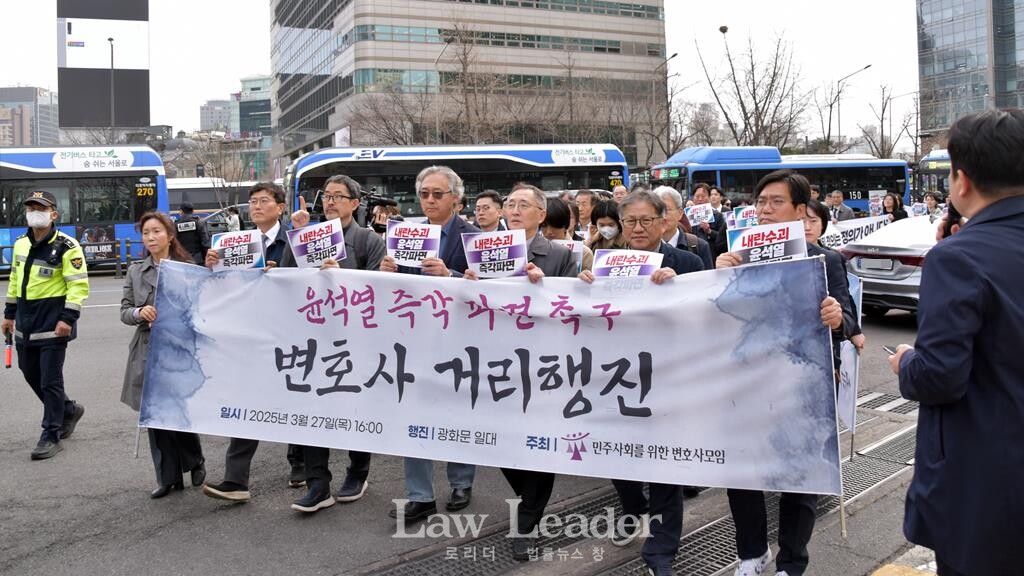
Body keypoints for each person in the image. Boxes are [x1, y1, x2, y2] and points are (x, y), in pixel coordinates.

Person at [888, 108, 1024, 576]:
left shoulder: (958, 259)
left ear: (961, 181)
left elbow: (940, 376)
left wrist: (906, 361)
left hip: (989, 483)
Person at [715, 170, 847, 576]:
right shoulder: (734, 257)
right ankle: (752, 553)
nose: (765, 210)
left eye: (776, 202)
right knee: (742, 469)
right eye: (761, 202)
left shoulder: (826, 260)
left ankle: (792, 560)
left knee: (801, 473)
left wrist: (837, 316)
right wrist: (719, 275)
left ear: (799, 209)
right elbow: (713, 316)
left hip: (803, 381)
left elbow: (851, 322)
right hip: (747, 379)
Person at [579, 191, 703, 576]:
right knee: (619, 455)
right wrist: (583, 287)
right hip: (617, 377)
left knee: (666, 469)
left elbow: (708, 313)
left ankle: (660, 553)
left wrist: (681, 286)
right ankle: (633, 508)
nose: (637, 228)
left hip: (668, 377)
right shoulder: (605, 264)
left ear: (664, 221)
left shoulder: (688, 261)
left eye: (646, 220)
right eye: (629, 221)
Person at [464, 183, 576, 562]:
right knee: (503, 442)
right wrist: (464, 283)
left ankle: (526, 522)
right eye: (509, 203)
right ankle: (528, 502)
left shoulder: (558, 255)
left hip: (543, 364)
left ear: (542, 215)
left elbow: (573, 303)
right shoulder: (481, 249)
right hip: (495, 360)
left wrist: (544, 287)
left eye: (523, 205)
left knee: (540, 446)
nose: (513, 209)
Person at [279, 174, 388, 514]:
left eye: (339, 196)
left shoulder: (369, 241)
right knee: (313, 412)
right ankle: (317, 483)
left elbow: (377, 290)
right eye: (327, 195)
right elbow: (284, 278)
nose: (330, 201)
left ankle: (358, 471)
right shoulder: (308, 235)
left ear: (355, 204)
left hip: (356, 340)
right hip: (313, 339)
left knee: (355, 410)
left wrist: (339, 274)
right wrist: (293, 237)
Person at [380, 165, 479, 521]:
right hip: (415, 341)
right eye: (425, 194)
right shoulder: (406, 233)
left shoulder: (473, 236)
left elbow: (488, 289)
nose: (431, 200)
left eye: (438, 194)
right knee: (414, 415)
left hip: (458, 343)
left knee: (456, 413)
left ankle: (461, 482)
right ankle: (419, 495)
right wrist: (386, 272)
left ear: (456, 197)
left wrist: (450, 276)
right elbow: (393, 290)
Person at [201, 182, 307, 502]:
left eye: (264, 201)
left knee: (294, 400)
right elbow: (223, 289)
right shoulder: (236, 244)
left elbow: (312, 278)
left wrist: (282, 269)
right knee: (248, 402)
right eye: (252, 202)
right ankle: (236, 480)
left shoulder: (293, 239)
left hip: (289, 334)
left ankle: (300, 465)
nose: (256, 207)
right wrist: (212, 267)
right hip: (251, 335)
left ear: (280, 207)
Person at [120, 212, 206, 498]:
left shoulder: (186, 268)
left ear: (170, 235)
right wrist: (138, 313)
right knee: (155, 415)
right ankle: (167, 477)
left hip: (177, 349)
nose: (151, 237)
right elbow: (124, 310)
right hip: (146, 349)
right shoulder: (135, 271)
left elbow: (198, 309)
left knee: (177, 410)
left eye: (156, 232)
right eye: (146, 233)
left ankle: (194, 460)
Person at [3, 190, 89, 460]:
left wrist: (67, 319)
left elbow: (78, 286)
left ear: (54, 213)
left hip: (54, 323)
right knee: (30, 373)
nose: (34, 212)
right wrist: (8, 313)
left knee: (50, 380)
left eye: (40, 207)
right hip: (25, 322)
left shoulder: (67, 246)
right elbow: (15, 281)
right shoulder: (20, 244)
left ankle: (50, 434)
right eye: (30, 207)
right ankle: (68, 410)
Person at [804, 199, 865, 355]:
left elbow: (844, 297)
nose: (807, 227)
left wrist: (854, 331)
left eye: (813, 220)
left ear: (823, 224)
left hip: (824, 339)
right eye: (800, 221)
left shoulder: (832, 258)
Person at [654, 185, 714, 270]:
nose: (662, 216)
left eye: (667, 210)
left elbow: (709, 282)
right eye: (657, 210)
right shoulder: (645, 248)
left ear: (680, 213)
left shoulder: (699, 246)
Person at [540, 196, 594, 272]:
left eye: (555, 226)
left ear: (566, 225)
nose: (549, 231)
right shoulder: (532, 249)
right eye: (544, 226)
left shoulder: (584, 253)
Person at [691, 183, 728, 258]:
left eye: (703, 196)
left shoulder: (717, 216)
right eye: (697, 196)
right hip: (693, 254)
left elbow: (723, 240)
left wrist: (709, 231)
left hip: (712, 256)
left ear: (709, 197)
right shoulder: (688, 216)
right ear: (693, 198)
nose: (700, 199)